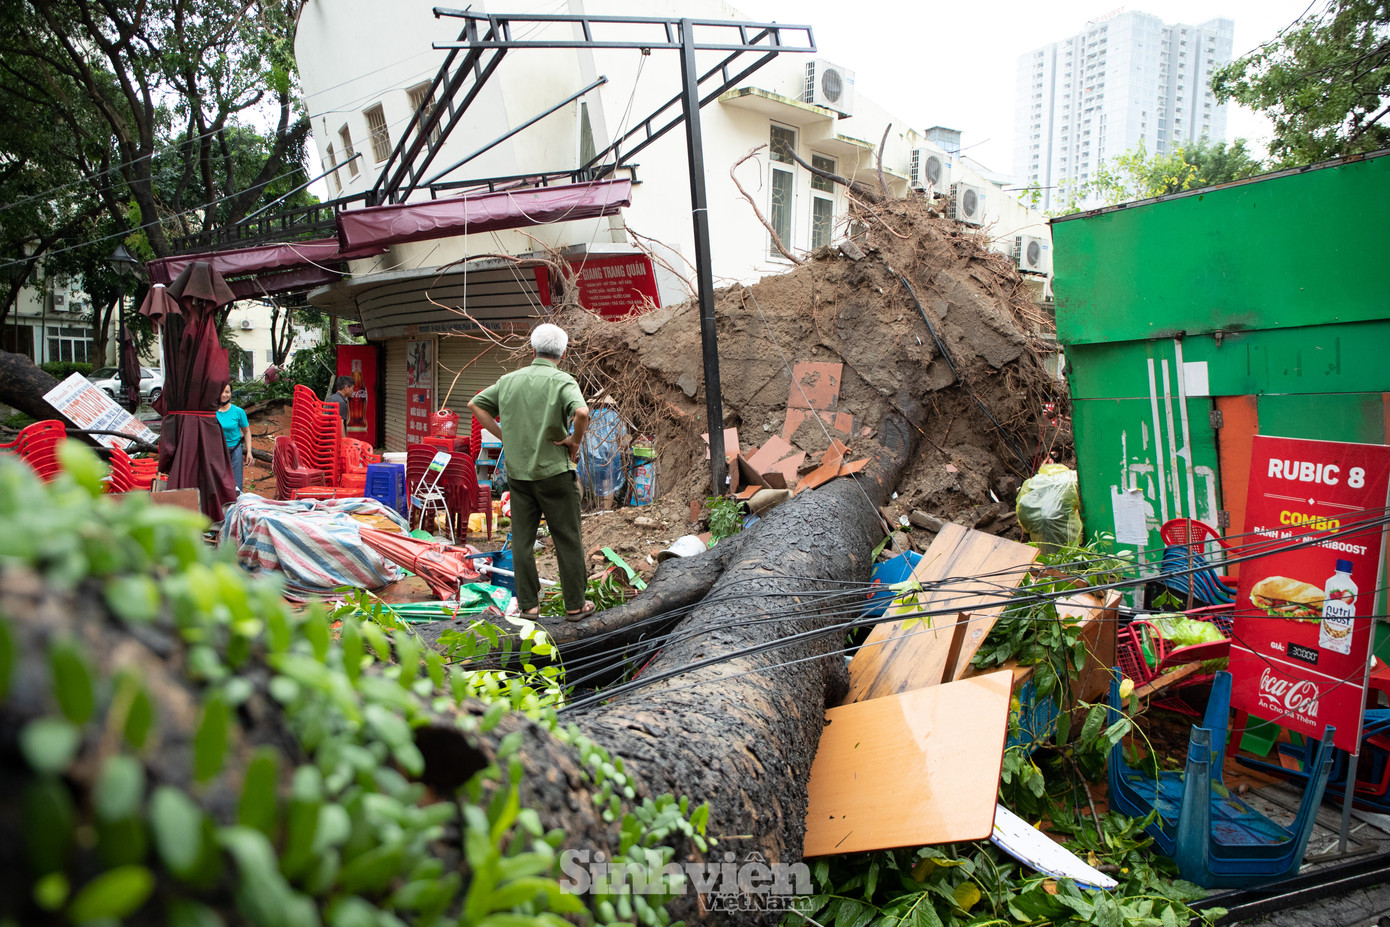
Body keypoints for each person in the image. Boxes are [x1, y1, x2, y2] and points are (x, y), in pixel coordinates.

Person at [469, 323, 592, 619]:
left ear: (532, 348)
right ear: (562, 352)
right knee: (567, 539)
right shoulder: (563, 380)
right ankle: (575, 605)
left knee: (521, 541)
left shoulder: (509, 380)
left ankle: (528, 606)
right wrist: (574, 442)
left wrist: (504, 436)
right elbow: (582, 412)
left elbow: (476, 404)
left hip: (519, 475)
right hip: (555, 474)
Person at [216, 383, 252, 493]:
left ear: (231, 394)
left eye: (227, 392)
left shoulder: (238, 412)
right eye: (221, 392)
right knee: (218, 482)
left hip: (235, 450)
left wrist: (249, 452)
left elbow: (246, 431)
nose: (224, 395)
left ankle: (236, 506)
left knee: (236, 484)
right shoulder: (211, 412)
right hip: (217, 451)